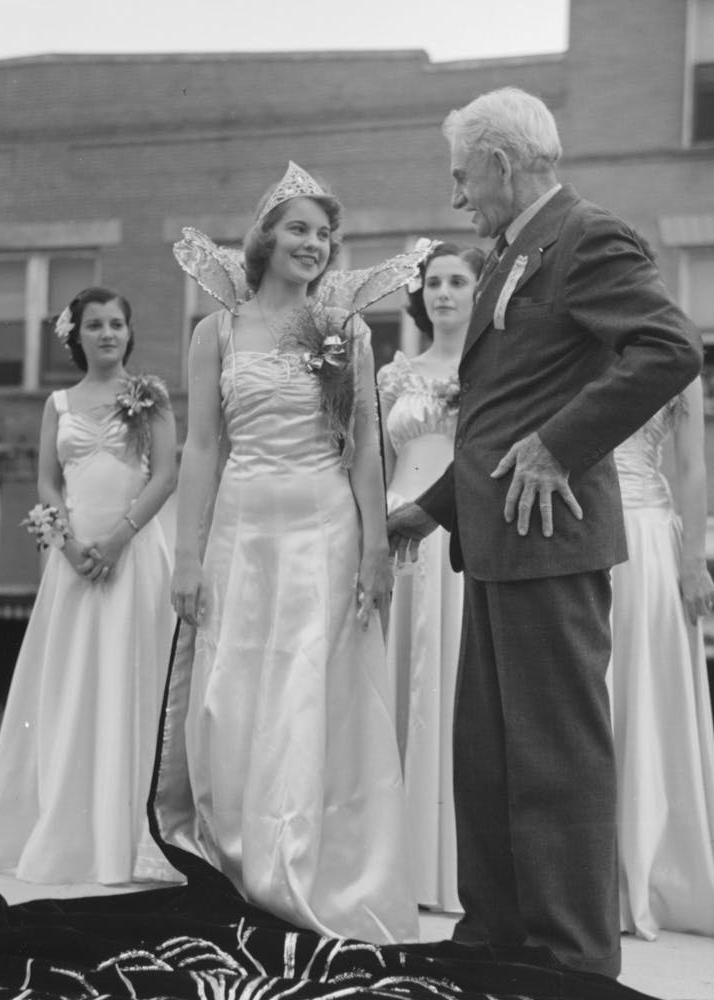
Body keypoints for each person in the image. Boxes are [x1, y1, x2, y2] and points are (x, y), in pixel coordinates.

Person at [387, 87, 702, 977]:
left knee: (555, 759)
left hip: (552, 542)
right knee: (487, 759)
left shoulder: (587, 236)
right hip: (491, 540)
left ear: (500, 161)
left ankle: (571, 961)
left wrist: (563, 447)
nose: (457, 199)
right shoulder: (512, 252)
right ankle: (497, 938)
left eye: (461, 177)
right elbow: (501, 414)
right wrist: (432, 507)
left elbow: (670, 348)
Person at [153, 162, 419, 944]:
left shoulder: (348, 332)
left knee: (310, 692)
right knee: (233, 691)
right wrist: (186, 557)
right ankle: (238, 863)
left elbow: (366, 446)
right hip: (241, 528)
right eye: (299, 228)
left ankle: (303, 866)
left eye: (324, 233)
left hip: (324, 528)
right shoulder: (216, 332)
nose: (315, 242)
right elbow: (202, 449)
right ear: (265, 239)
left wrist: (375, 547)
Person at [0, 286, 179, 885]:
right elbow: (46, 481)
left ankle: (128, 831)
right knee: (70, 682)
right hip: (73, 563)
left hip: (133, 557)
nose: (108, 333)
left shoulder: (152, 396)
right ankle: (67, 826)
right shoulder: (58, 404)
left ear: (128, 332)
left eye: (117, 323)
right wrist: (66, 543)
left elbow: (166, 475)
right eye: (95, 324)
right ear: (76, 335)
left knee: (131, 679)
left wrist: (118, 539)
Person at [378, 242, 484, 912]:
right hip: (395, 534)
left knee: (449, 688)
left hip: (458, 538)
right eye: (435, 282)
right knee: (391, 683)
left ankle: (446, 864)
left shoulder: (490, 369)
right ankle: (387, 861)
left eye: (458, 281)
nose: (444, 293)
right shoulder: (394, 375)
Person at [609, 378, 714, 940]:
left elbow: (693, 467)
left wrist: (694, 560)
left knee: (649, 697)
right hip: (584, 534)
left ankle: (655, 869)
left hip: (649, 542)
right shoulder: (583, 336)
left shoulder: (676, 354)